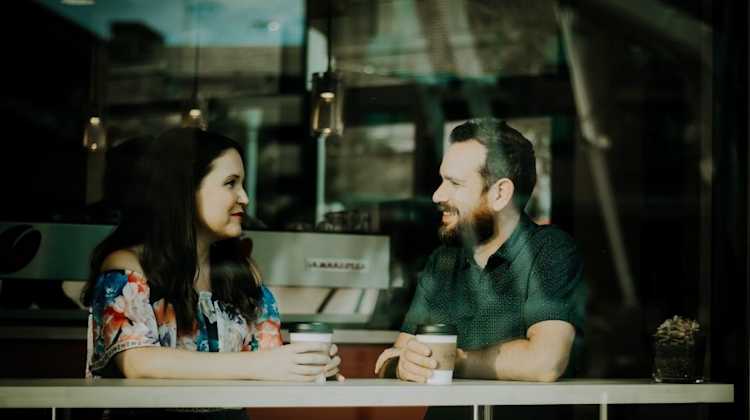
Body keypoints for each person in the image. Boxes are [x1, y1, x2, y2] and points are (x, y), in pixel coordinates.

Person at [82, 128, 342, 419]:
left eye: (242, 184)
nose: (244, 197)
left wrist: (309, 364)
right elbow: (137, 363)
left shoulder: (242, 272)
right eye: (230, 183)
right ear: (184, 191)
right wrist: (263, 365)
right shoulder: (127, 265)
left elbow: (269, 356)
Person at [374, 118, 586, 419]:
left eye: (455, 184)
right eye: (441, 180)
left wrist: (453, 360)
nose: (437, 195)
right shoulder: (443, 261)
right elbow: (394, 357)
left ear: (500, 194)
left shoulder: (549, 250)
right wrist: (402, 365)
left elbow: (545, 362)